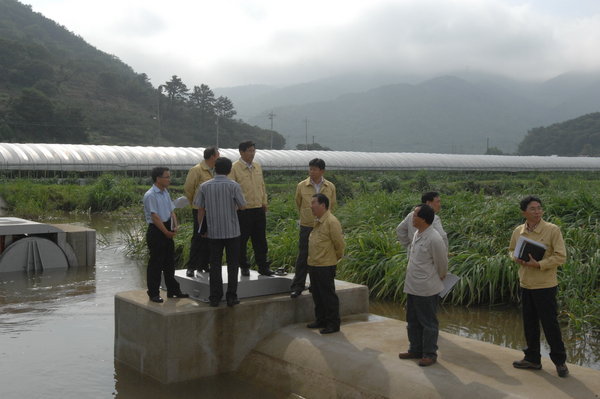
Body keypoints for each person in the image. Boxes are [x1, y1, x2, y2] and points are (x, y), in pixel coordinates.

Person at [508, 196, 569, 377]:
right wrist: (515, 257)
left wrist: (539, 264)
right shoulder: (519, 231)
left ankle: (560, 362)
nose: (537, 212)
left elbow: (561, 256)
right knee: (530, 323)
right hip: (526, 283)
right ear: (524, 212)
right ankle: (533, 359)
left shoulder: (552, 230)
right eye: (533, 209)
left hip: (545, 285)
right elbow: (511, 249)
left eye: (539, 208)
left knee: (550, 324)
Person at [398, 204, 447, 367]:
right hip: (412, 286)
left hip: (426, 288)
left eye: (415, 215)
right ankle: (415, 349)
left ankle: (429, 354)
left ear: (424, 219)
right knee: (412, 320)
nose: (412, 218)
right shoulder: (418, 233)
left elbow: (442, 263)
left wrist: (438, 278)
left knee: (428, 323)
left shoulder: (434, 238)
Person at [194, 157, 246, 307]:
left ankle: (215, 297)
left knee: (214, 264)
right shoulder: (234, 186)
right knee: (233, 264)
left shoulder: (204, 186)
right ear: (230, 170)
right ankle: (231, 296)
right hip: (232, 231)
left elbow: (200, 209)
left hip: (213, 232)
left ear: (214, 168)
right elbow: (242, 206)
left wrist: (201, 228)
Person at [290, 158, 337, 298]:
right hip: (307, 225)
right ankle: (298, 285)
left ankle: (314, 285)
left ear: (322, 171)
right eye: (310, 169)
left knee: (320, 256)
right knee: (303, 255)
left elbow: (331, 205)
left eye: (314, 169)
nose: (311, 172)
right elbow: (298, 203)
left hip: (323, 226)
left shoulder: (330, 187)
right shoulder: (301, 186)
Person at [143, 167, 188, 303]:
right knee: (156, 264)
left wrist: (174, 226)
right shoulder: (151, 195)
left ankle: (173, 290)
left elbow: (171, 211)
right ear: (158, 178)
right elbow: (154, 216)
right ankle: (153, 293)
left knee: (169, 263)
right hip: (157, 231)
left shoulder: (165, 192)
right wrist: (166, 232)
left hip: (167, 228)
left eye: (169, 177)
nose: (169, 179)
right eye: (167, 177)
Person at [228, 141, 274, 276]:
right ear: (241, 152)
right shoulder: (234, 168)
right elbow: (231, 189)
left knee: (260, 240)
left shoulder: (257, 166)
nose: (252, 153)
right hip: (243, 210)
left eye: (254, 151)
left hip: (258, 209)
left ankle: (263, 266)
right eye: (249, 151)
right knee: (242, 240)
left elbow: (262, 186)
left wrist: (264, 202)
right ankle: (244, 266)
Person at [306, 193, 345, 335]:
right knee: (317, 294)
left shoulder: (331, 221)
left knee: (328, 296)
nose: (311, 206)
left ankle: (333, 323)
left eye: (314, 203)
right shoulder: (317, 221)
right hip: (314, 264)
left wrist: (334, 258)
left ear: (323, 205)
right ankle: (320, 320)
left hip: (325, 265)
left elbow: (339, 244)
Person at [183, 146, 220, 277]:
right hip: (200, 210)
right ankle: (191, 267)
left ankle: (204, 265)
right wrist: (196, 203)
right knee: (198, 237)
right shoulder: (197, 170)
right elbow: (189, 189)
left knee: (210, 238)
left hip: (213, 210)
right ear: (212, 157)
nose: (219, 157)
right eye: (218, 155)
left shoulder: (216, 170)